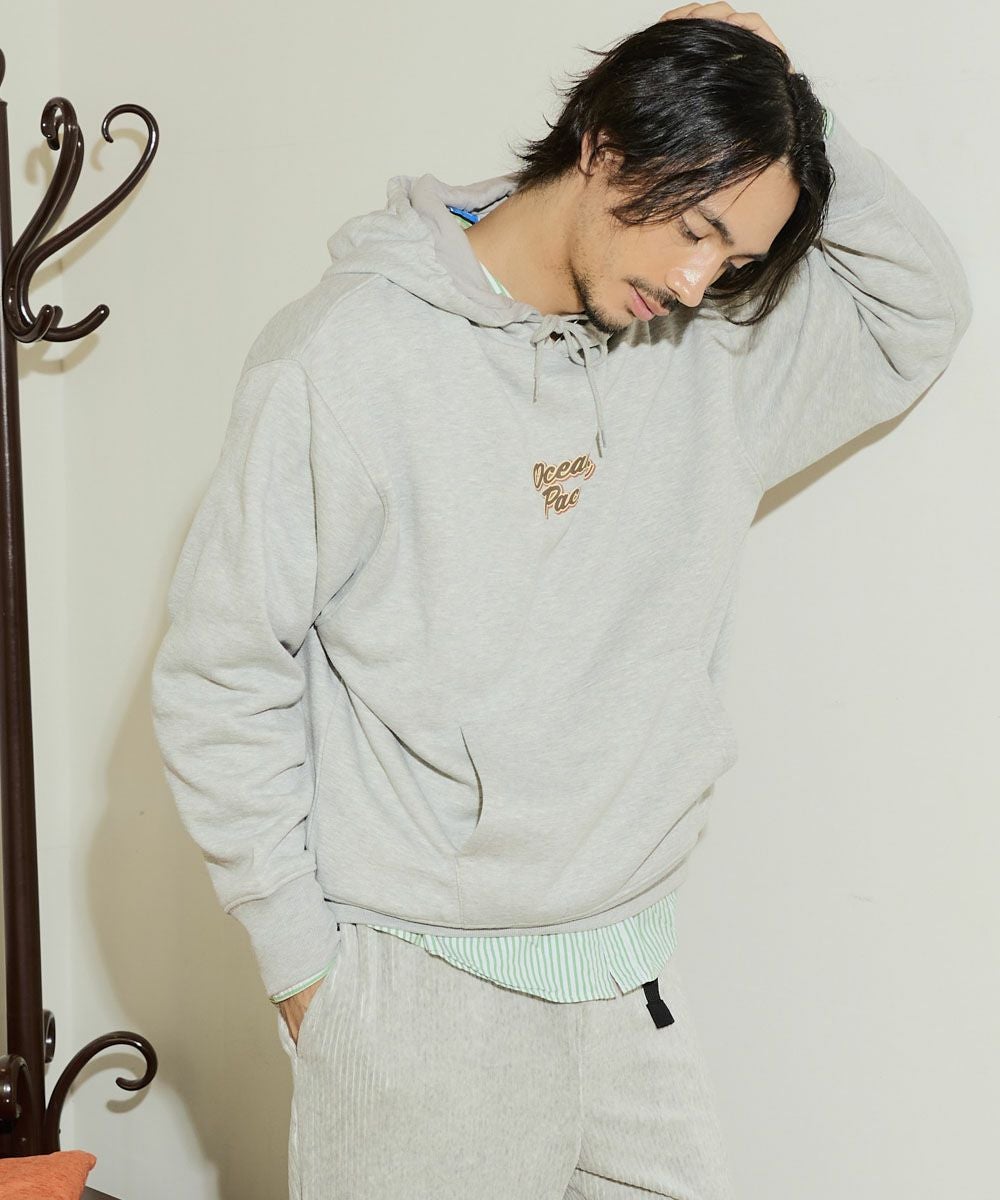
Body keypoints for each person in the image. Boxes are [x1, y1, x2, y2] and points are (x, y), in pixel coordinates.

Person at [149, 6, 972, 1198]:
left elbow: (919, 309)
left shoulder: (708, 361)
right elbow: (220, 671)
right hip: (422, 994)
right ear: (602, 142)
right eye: (694, 229)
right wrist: (305, 975)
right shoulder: (344, 360)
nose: (694, 280)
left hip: (627, 988)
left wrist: (788, 107)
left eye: (733, 261)